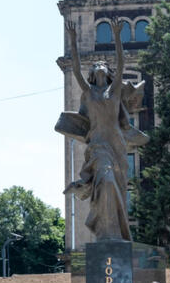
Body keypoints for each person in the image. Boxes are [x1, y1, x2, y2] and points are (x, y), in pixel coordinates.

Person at [60, 18, 149, 241]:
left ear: (107, 72)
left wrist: (118, 36)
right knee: (106, 183)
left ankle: (117, 234)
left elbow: (120, 63)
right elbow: (77, 71)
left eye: (102, 64)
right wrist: (73, 40)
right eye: (95, 65)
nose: (99, 65)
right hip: (98, 147)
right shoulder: (88, 93)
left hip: (116, 146)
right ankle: (106, 233)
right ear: (93, 73)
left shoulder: (115, 91)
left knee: (117, 187)